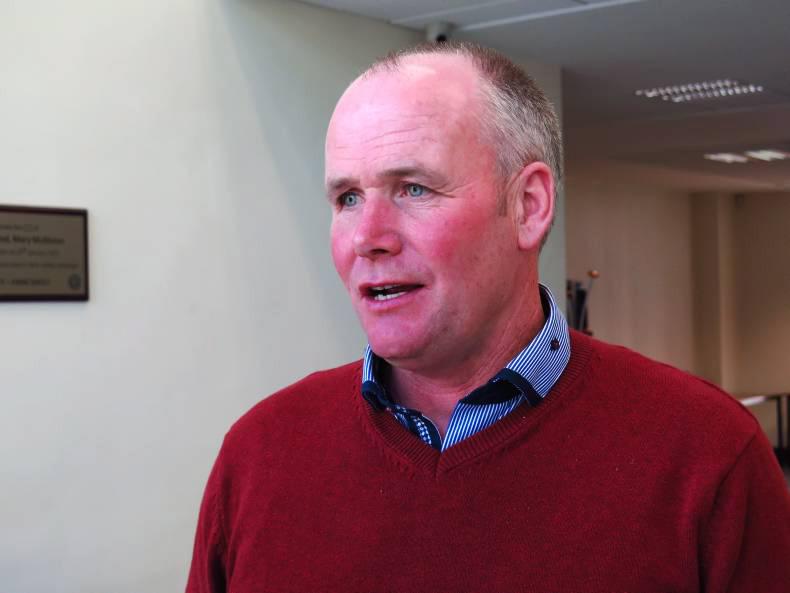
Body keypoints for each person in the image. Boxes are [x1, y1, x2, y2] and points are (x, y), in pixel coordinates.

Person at [186, 42, 790, 593]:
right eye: (347, 198)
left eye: (413, 188)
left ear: (528, 206)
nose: (367, 237)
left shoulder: (707, 456)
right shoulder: (259, 454)